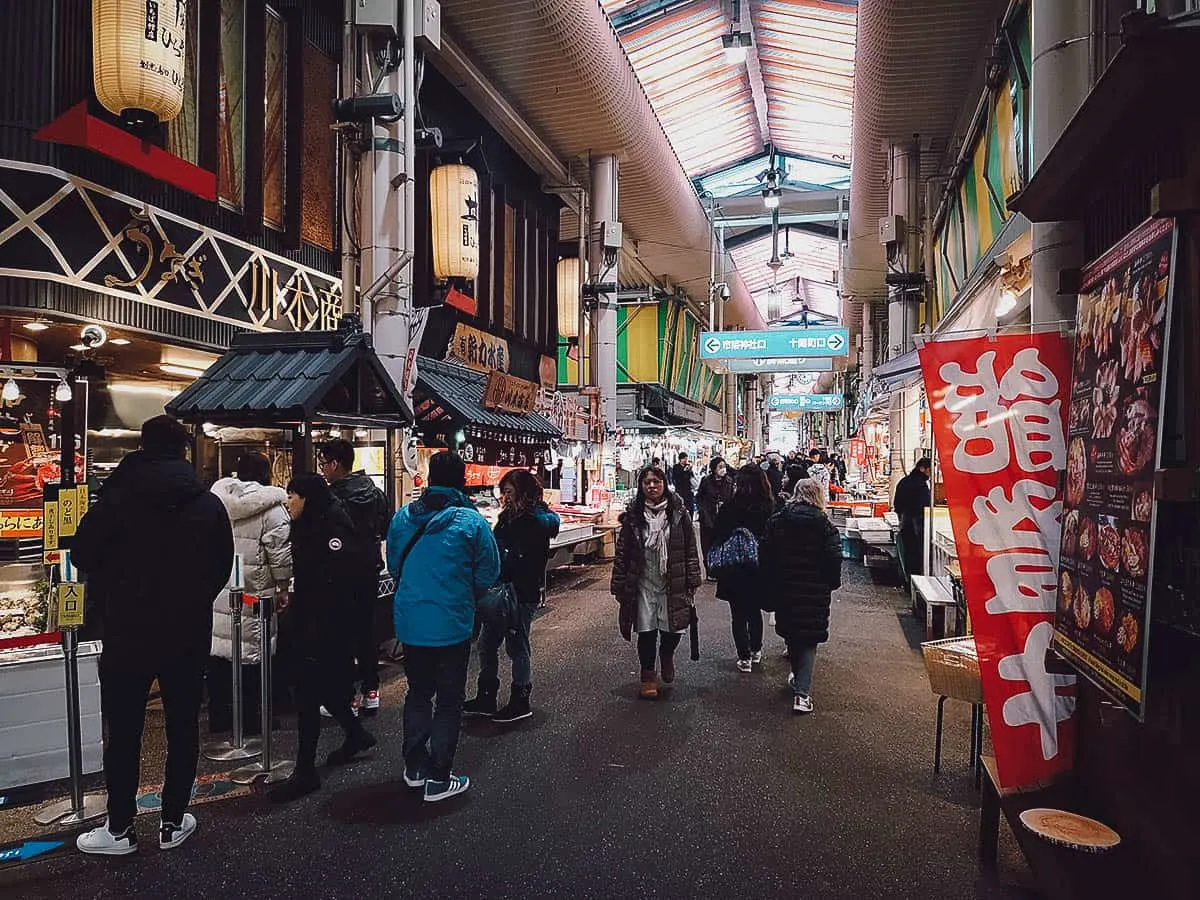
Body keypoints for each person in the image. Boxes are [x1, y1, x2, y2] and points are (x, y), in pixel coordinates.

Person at [72, 416, 234, 855]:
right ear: (184, 449)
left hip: (127, 628)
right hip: (186, 631)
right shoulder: (206, 502)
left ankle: (120, 828)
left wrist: (114, 585)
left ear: (144, 446)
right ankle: (172, 821)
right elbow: (223, 564)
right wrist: (194, 596)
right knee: (183, 726)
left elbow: (82, 552)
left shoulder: (117, 497)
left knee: (123, 730)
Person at [387, 452, 500, 802]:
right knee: (449, 699)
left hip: (411, 621)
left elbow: (394, 566)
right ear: (462, 480)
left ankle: (415, 768)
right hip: (452, 621)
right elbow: (489, 572)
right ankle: (438, 778)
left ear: (429, 477)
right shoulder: (470, 521)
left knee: (419, 693)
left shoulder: (403, 517)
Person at [269, 474, 377, 802]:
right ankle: (356, 734)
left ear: (308, 497)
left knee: (307, 695)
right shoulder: (314, 522)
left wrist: (320, 629)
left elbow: (337, 586)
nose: (289, 501)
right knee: (324, 690)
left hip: (326, 628)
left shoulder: (332, 528)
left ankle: (306, 772)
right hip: (314, 624)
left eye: (293, 495)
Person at [463, 469, 560, 724]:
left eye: (509, 492)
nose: (505, 497)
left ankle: (520, 699)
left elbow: (519, 557)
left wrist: (499, 557)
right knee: (486, 644)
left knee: (517, 646)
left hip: (520, 593)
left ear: (524, 493)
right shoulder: (509, 517)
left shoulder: (533, 522)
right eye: (503, 492)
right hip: (501, 590)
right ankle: (486, 695)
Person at [207, 453, 292, 736]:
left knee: (221, 649)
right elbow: (279, 556)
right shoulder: (274, 509)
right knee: (254, 654)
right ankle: (255, 719)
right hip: (254, 594)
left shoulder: (216, 502)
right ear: (267, 474)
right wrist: (283, 587)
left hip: (221, 590)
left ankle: (220, 718)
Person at [610, 466, 702, 700]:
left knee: (674, 629)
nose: (652, 486)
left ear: (664, 484)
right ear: (641, 486)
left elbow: (690, 548)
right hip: (643, 581)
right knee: (646, 630)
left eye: (656, 481)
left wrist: (693, 578)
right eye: (647, 482)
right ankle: (648, 676)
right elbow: (623, 552)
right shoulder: (633, 515)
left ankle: (667, 653)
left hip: (672, 580)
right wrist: (619, 582)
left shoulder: (679, 513)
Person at [319, 439, 390, 717]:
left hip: (339, 574)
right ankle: (371, 692)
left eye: (324, 463)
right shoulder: (375, 492)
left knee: (341, 636)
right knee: (366, 631)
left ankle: (347, 698)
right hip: (369, 569)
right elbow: (384, 528)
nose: (323, 469)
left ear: (336, 464)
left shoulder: (330, 498)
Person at [760, 478, 842, 714]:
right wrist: (830, 584)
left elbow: (765, 553)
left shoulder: (778, 521)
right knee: (808, 638)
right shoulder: (825, 525)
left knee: (793, 634)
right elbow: (834, 558)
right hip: (814, 591)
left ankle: (798, 679)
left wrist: (769, 581)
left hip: (784, 587)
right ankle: (802, 695)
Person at [711, 464, 776, 672]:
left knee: (738, 613)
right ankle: (756, 650)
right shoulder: (769, 507)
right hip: (760, 566)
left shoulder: (730, 507)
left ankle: (744, 657)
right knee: (754, 610)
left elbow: (718, 534)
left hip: (734, 567)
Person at [894, 457, 933, 586]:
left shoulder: (904, 482)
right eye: (929, 470)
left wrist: (901, 516)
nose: (930, 473)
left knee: (909, 554)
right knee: (918, 556)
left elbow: (897, 505)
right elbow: (926, 506)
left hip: (906, 523)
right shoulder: (921, 485)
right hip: (919, 525)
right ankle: (917, 585)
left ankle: (908, 583)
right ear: (922, 469)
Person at [695, 456, 733, 578]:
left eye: (724, 466)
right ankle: (709, 570)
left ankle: (719, 569)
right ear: (713, 468)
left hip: (723, 519)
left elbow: (731, 498)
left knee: (720, 545)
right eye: (720, 467)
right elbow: (699, 498)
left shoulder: (729, 482)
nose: (722, 469)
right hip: (707, 518)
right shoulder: (706, 481)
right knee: (707, 545)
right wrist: (703, 511)